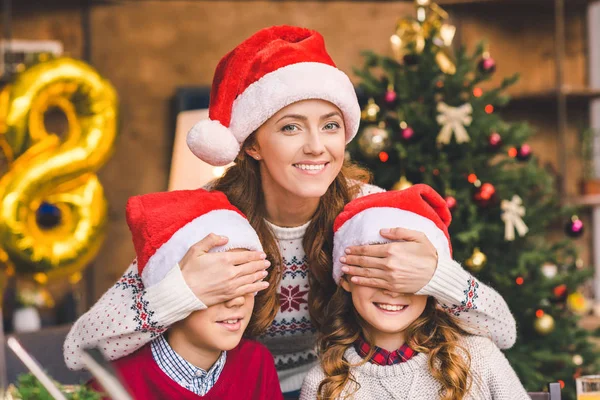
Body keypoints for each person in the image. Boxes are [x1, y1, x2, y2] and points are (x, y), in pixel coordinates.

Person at [64, 25, 516, 398]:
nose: (316, 147)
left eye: (331, 125)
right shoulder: (205, 221)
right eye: (291, 127)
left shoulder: (372, 213)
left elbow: (501, 331)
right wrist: (178, 292)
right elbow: (81, 349)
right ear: (253, 144)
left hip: (339, 389)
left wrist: (438, 277)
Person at [300, 185, 529, 400]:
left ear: (432, 281)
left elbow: (504, 332)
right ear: (345, 278)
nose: (392, 289)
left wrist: (439, 275)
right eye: (375, 271)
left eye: (407, 276)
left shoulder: (478, 358)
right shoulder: (323, 384)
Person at [89, 189, 282, 399]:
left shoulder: (256, 362)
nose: (236, 300)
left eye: (246, 280)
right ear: (172, 289)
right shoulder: (113, 384)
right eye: (217, 285)